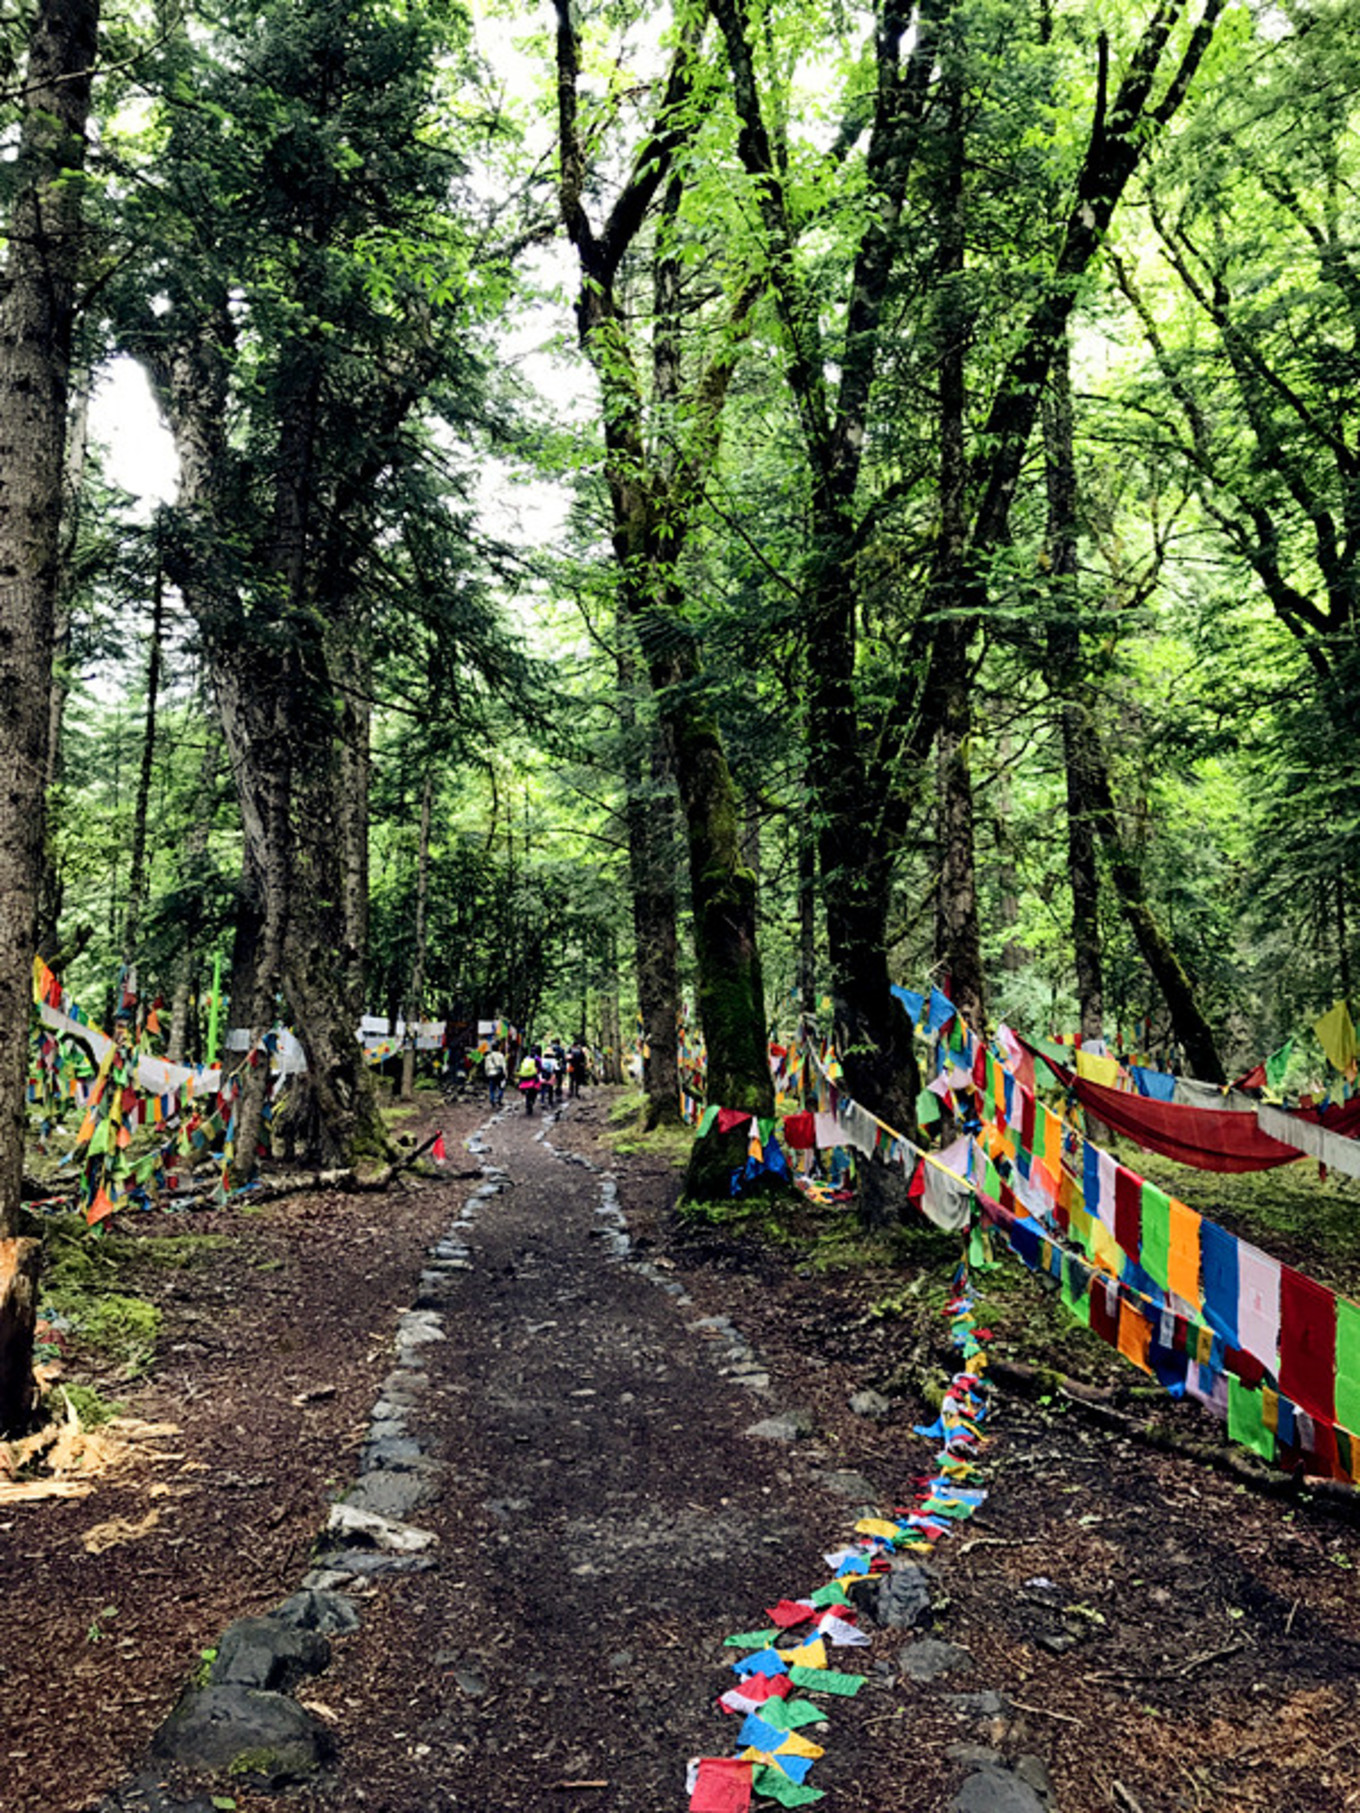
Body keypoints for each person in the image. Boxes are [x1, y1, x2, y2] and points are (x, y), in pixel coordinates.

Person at [517, 1049, 541, 1115]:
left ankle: (527, 1102)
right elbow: (540, 1068)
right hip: (533, 1076)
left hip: (524, 1077)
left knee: (525, 1090)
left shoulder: (526, 1058)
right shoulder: (537, 1059)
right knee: (536, 1089)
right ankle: (531, 1102)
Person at [484, 1042, 507, 1108]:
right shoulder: (501, 1055)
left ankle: (492, 1099)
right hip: (499, 1074)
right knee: (501, 1087)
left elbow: (486, 1067)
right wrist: (505, 1074)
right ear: (498, 1048)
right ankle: (499, 1098)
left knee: (492, 1089)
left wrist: (487, 1074)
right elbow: (503, 1066)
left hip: (491, 1074)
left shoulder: (488, 1056)